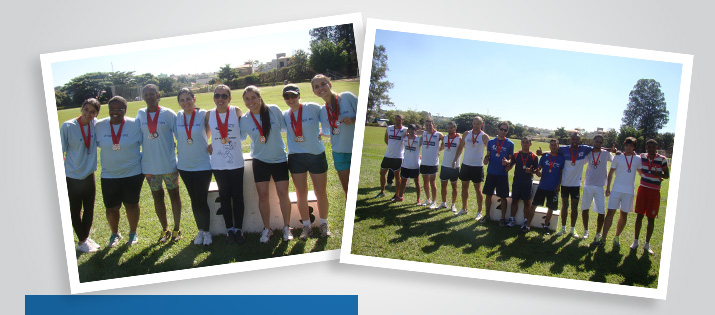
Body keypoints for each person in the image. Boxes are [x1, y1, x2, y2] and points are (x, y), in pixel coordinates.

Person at [240, 85, 293, 243]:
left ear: (259, 97)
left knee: (283, 194)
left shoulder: (273, 110)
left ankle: (286, 227)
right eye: (247, 99)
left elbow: (285, 128)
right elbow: (240, 138)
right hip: (260, 161)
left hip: (279, 159)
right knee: (263, 196)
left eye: (253, 98)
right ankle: (267, 229)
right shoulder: (244, 119)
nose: (250, 102)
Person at [282, 84, 331, 239]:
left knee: (320, 192)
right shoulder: (285, 115)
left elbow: (328, 116)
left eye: (293, 96)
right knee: (300, 193)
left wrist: (326, 131)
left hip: (316, 155)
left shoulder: (313, 108)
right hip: (296, 157)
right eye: (287, 97)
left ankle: (324, 224)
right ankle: (306, 227)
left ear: (299, 95)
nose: (291, 99)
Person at [136, 84, 182, 243]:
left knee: (174, 196)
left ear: (158, 95)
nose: (149, 97)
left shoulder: (169, 114)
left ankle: (177, 228)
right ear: (143, 97)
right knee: (157, 197)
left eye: (152, 94)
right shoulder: (140, 114)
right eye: (146, 94)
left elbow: (180, 136)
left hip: (169, 165)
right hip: (149, 166)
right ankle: (165, 229)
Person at [95, 96, 143, 247]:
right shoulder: (99, 125)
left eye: (119, 109)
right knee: (111, 208)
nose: (115, 112)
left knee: (132, 204)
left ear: (125, 110)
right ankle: (114, 234)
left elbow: (147, 143)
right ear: (108, 110)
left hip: (133, 173)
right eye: (112, 109)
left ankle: (133, 232)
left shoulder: (135, 124)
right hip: (109, 174)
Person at [60, 98, 101, 253]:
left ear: (96, 114)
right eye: (86, 109)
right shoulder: (68, 126)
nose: (88, 114)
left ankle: (85, 237)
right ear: (81, 108)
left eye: (92, 112)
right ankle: (82, 241)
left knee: (89, 208)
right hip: (72, 176)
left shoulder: (95, 124)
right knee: (76, 209)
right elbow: (60, 149)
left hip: (89, 174)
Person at [209, 85, 246, 244]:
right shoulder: (208, 115)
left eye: (224, 96)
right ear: (214, 98)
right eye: (217, 96)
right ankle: (229, 229)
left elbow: (243, 132)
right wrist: (208, 145)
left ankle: (238, 229)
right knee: (224, 197)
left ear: (229, 98)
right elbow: (205, 134)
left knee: (238, 196)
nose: (220, 99)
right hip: (218, 163)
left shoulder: (236, 111)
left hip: (236, 162)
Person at [175, 88, 213, 245]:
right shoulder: (177, 116)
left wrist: (211, 144)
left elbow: (212, 132)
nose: (186, 102)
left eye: (188, 99)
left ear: (194, 99)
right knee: (194, 199)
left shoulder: (204, 114)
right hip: (184, 166)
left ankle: (207, 232)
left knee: (201, 199)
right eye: (182, 100)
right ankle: (200, 231)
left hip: (203, 164)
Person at [313, 74, 357, 196]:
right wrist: (321, 132)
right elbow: (331, 130)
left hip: (354, 149)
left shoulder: (347, 97)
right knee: (348, 192)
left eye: (323, 84)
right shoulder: (323, 111)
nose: (321, 88)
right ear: (314, 92)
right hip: (339, 153)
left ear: (329, 84)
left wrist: (354, 119)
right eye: (316, 87)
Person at [603, 137, 643, 248]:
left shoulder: (638, 159)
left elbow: (641, 173)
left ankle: (616, 236)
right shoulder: (618, 157)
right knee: (610, 213)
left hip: (629, 192)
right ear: (624, 146)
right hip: (616, 190)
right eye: (626, 145)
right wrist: (608, 188)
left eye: (631, 145)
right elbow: (611, 173)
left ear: (634, 147)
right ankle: (604, 237)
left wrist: (654, 177)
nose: (628, 147)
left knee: (623, 214)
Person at [631, 139, 669, 254]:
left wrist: (659, 174)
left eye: (654, 147)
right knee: (639, 216)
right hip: (643, 189)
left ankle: (647, 244)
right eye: (649, 147)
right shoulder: (642, 156)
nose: (651, 149)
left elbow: (667, 175)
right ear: (646, 147)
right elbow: (631, 154)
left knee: (651, 218)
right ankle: (635, 241)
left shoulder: (662, 159)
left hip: (654, 192)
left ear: (656, 148)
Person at [524, 139, 564, 233]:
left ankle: (546, 226)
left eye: (555, 145)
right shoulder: (545, 156)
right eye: (552, 145)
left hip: (553, 188)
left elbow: (561, 174)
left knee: (550, 208)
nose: (553, 146)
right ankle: (527, 226)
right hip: (542, 186)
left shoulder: (561, 159)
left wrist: (558, 185)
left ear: (558, 146)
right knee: (534, 206)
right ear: (549, 146)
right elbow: (538, 169)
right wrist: (537, 172)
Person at [581, 135, 614, 245]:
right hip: (588, 185)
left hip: (600, 186)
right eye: (597, 141)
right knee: (585, 209)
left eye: (601, 142)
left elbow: (615, 161)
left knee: (601, 212)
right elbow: (580, 162)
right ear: (593, 141)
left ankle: (598, 233)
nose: (598, 143)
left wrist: (617, 152)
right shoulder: (588, 153)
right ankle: (586, 231)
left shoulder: (606, 154)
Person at [456, 116, 490, 217]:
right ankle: (464, 208)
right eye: (474, 123)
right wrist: (455, 160)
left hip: (477, 166)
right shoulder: (466, 134)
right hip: (466, 165)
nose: (476, 125)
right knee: (464, 187)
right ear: (472, 124)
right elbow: (461, 147)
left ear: (481, 125)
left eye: (478, 124)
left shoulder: (484, 137)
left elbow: (489, 151)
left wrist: (486, 159)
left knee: (477, 189)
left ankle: (479, 212)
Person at [482, 122, 514, 225]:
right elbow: (488, 156)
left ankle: (503, 218)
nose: (503, 131)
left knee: (503, 197)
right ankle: (487, 216)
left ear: (507, 131)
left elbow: (511, 160)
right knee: (488, 195)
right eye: (501, 129)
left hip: (502, 175)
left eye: (505, 130)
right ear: (498, 129)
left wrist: (507, 163)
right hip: (491, 173)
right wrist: (486, 160)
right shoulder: (491, 142)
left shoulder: (510, 144)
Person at [506, 136, 539, 227]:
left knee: (526, 202)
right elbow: (510, 165)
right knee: (514, 201)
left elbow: (536, 171)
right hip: (517, 181)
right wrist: (507, 164)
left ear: (530, 144)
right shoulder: (516, 154)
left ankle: (525, 221)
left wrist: (530, 171)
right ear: (521, 143)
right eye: (523, 142)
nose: (525, 144)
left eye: (527, 142)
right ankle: (512, 219)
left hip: (527, 182)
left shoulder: (534, 157)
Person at [377, 115, 407, 199]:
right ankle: (382, 191)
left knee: (397, 176)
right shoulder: (389, 128)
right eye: (396, 120)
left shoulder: (405, 130)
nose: (397, 121)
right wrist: (392, 146)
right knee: (382, 173)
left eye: (399, 120)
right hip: (388, 155)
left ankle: (396, 194)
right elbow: (386, 140)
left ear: (402, 121)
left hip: (398, 157)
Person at [438, 121, 464, 212]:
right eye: (448, 128)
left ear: (455, 128)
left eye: (451, 128)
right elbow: (442, 147)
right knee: (443, 185)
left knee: (454, 186)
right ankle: (443, 203)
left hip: (454, 166)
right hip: (445, 165)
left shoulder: (459, 138)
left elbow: (461, 149)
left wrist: (455, 160)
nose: (449, 129)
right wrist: (437, 151)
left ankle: (453, 205)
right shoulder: (445, 138)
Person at [419, 119, 443, 209]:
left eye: (430, 125)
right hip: (424, 162)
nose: (428, 127)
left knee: (432, 182)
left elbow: (446, 141)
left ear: (434, 125)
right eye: (427, 125)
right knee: (425, 182)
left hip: (433, 162)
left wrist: (439, 149)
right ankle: (428, 199)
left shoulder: (438, 134)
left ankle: (434, 201)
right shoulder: (424, 134)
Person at [396, 124, 422, 204]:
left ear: (415, 131)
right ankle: (400, 197)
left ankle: (418, 199)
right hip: (405, 164)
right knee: (403, 181)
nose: (411, 131)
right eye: (409, 130)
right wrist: (405, 133)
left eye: (413, 130)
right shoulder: (405, 138)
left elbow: (426, 134)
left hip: (415, 165)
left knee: (417, 182)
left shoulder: (419, 139)